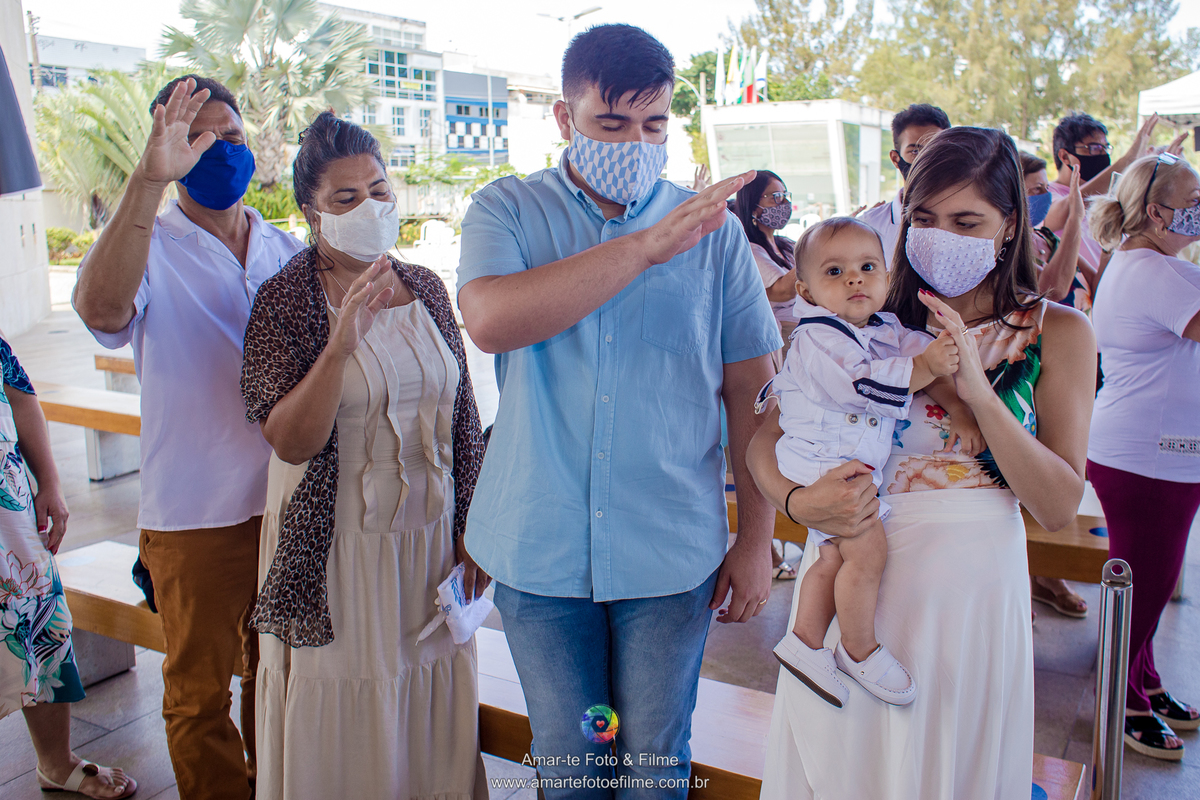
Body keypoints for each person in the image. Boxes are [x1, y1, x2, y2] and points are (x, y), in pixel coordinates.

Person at [456, 24, 781, 797]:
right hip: (541, 545)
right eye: (612, 123)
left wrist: (757, 538)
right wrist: (641, 248)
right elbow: (493, 320)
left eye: (654, 124)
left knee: (654, 769)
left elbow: (751, 394)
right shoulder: (508, 210)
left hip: (669, 547)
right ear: (565, 118)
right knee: (572, 771)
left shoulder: (716, 236)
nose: (635, 142)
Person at [754, 126, 1096, 799]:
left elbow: (1057, 504)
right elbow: (765, 439)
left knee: (947, 765)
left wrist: (979, 395)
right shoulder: (862, 311)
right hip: (856, 567)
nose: (941, 235)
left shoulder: (1057, 332)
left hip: (970, 589)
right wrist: (795, 504)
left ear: (1008, 227)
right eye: (924, 218)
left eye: (967, 221)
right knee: (847, 768)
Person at [240, 112, 488, 797]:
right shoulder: (286, 299)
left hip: (430, 547)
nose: (370, 207)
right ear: (310, 213)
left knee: (425, 699)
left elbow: (462, 416)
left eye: (378, 190)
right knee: (351, 703)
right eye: (346, 198)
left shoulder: (426, 286)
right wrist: (341, 342)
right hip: (338, 551)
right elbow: (289, 439)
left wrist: (474, 526)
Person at [72, 76, 305, 799]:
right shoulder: (148, 241)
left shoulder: (285, 246)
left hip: (287, 506)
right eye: (196, 136)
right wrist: (147, 182)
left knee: (278, 680)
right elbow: (102, 309)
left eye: (231, 136)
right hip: (194, 516)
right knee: (199, 693)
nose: (219, 149)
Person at [764, 217, 970, 709]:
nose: (855, 278)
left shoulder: (882, 326)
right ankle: (859, 649)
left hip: (841, 460)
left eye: (867, 267)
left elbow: (916, 348)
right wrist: (924, 369)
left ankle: (805, 642)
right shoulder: (818, 338)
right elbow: (860, 387)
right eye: (834, 272)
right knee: (867, 551)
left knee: (833, 554)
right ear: (807, 292)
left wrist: (946, 374)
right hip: (821, 462)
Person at [1086, 149, 1200, 761]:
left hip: (1158, 453)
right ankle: (1123, 701)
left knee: (1151, 583)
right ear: (1157, 212)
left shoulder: (1149, 263)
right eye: (1194, 203)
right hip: (1149, 457)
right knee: (1145, 583)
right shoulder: (1155, 273)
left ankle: (1145, 682)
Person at [0, 335, 137, 799]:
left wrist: (51, 484)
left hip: (8, 513)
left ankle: (56, 763)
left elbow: (20, 397)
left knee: (42, 625)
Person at [1042, 113, 1187, 283]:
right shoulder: (1048, 195)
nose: (1103, 155)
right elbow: (1071, 207)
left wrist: (1159, 174)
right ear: (1065, 156)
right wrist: (1128, 160)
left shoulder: (1108, 195)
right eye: (1094, 148)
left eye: (1105, 148)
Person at [860, 104, 951, 270]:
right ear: (895, 159)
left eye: (936, 149)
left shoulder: (965, 222)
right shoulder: (868, 225)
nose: (927, 159)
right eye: (915, 151)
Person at [733, 170, 797, 362]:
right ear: (754, 207)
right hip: (787, 336)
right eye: (776, 197)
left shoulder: (785, 245)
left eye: (785, 195)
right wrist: (815, 250)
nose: (784, 203)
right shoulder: (750, 250)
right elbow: (782, 292)